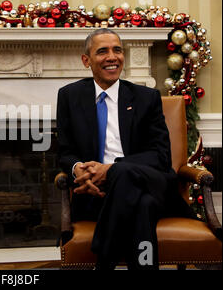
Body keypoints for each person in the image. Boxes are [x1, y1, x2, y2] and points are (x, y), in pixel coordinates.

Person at [56, 29, 193, 270]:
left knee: (122, 173)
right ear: (86, 60)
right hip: (98, 193)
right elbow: (64, 152)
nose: (112, 57)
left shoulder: (146, 97)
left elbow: (160, 157)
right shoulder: (69, 96)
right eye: (102, 51)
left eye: (117, 50)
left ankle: (105, 259)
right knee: (143, 205)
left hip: (150, 182)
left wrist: (110, 170)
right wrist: (78, 169)